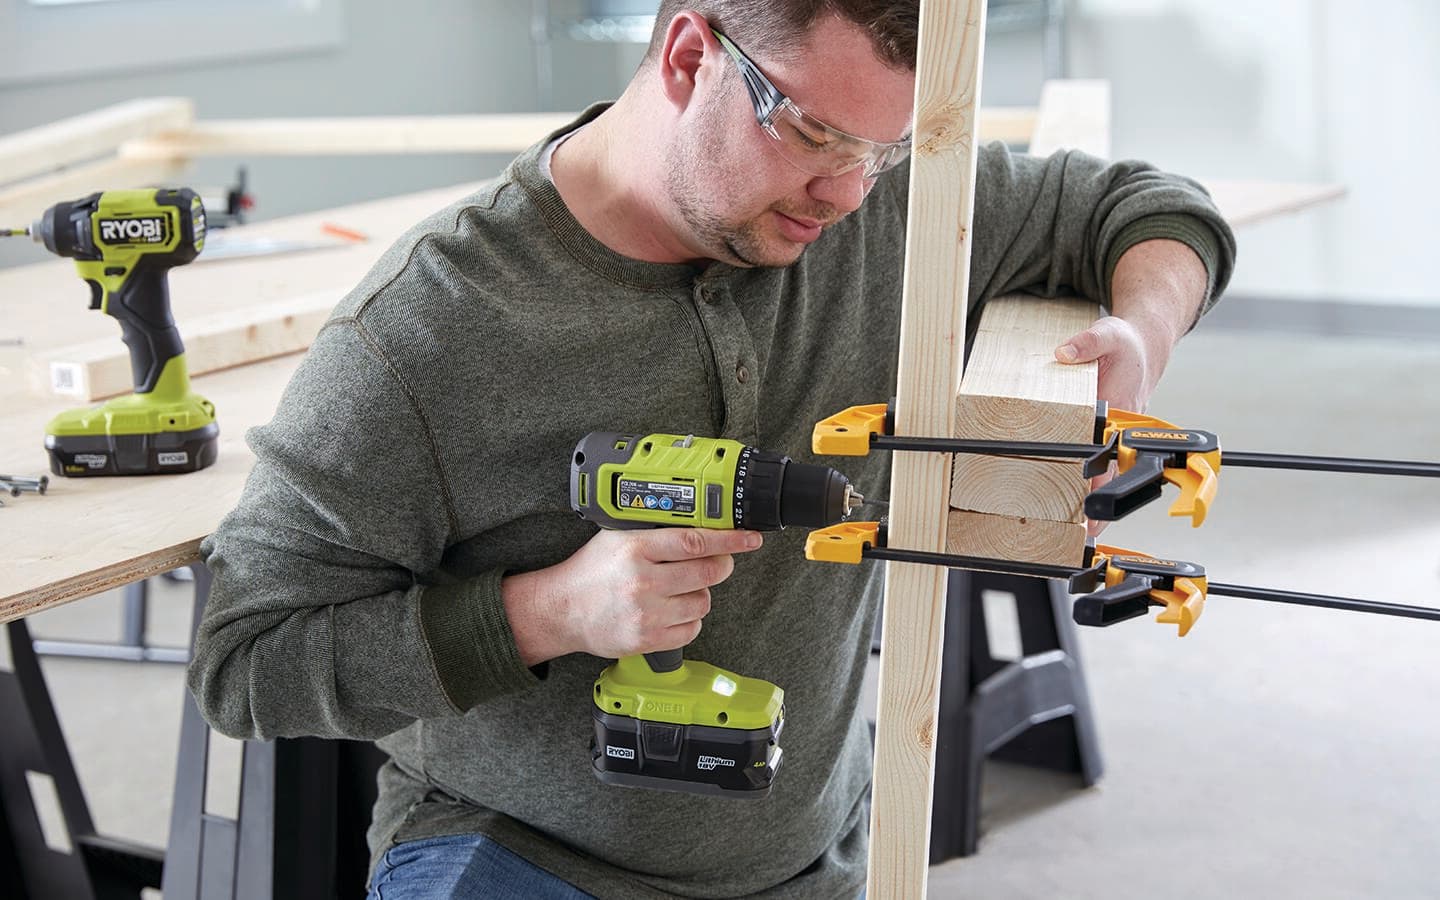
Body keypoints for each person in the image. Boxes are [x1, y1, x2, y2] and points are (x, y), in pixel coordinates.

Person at [189, 1, 1236, 897]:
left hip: (806, 859)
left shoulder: (882, 211)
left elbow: (1147, 206)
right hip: (516, 858)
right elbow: (244, 662)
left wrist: (1140, 334)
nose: (851, 193)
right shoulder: (431, 329)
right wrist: (547, 611)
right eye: (817, 135)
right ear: (692, 57)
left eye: (885, 149)